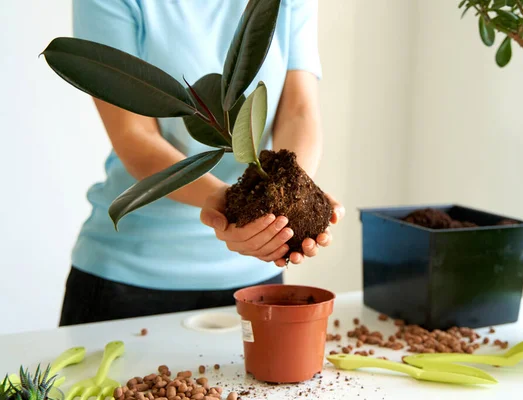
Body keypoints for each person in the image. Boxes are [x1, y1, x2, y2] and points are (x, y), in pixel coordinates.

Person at [58, 0, 344, 326]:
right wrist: (231, 208)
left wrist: (296, 195)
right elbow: (136, 138)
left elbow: (298, 110)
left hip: (256, 278)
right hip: (130, 277)